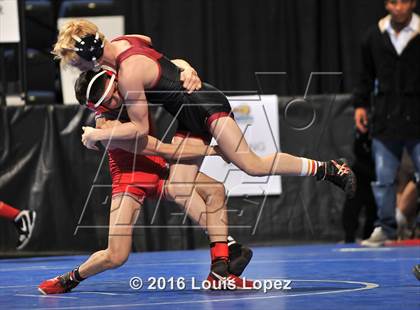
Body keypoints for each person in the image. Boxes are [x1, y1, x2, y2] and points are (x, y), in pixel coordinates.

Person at [52, 19, 356, 200]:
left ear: (89, 53)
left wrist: (97, 135)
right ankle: (227, 254)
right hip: (189, 111)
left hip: (206, 107)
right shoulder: (125, 41)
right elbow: (160, 55)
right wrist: (185, 67)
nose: (76, 69)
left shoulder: (129, 73)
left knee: (252, 165)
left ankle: (329, 168)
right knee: (182, 186)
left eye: (75, 63)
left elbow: (141, 130)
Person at [38, 66, 253, 295]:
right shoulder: (110, 129)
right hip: (131, 181)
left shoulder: (130, 85)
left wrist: (187, 69)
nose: (117, 98)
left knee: (215, 190)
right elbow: (165, 150)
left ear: (115, 79)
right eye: (109, 101)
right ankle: (69, 278)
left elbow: (162, 65)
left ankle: (219, 269)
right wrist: (214, 151)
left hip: (158, 170)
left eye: (115, 91)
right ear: (99, 108)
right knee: (116, 255)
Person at [353, 0, 420, 247]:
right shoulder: (373, 36)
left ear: (412, 3)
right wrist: (360, 104)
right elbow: (365, 75)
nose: (398, 7)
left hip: (417, 116)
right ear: (386, 4)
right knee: (383, 178)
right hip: (385, 118)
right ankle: (386, 227)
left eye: (403, 2)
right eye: (393, 2)